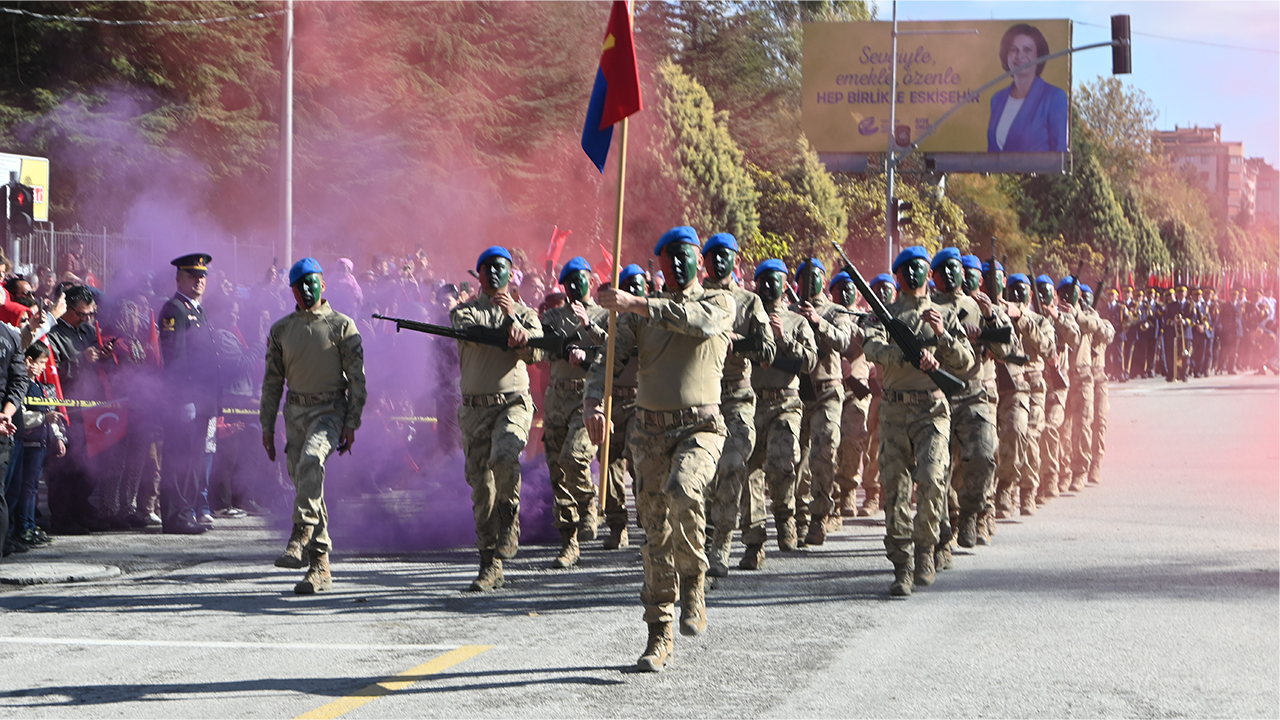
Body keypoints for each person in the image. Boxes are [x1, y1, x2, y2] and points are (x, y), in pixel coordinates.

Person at [585, 226, 733, 672]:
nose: (681, 262)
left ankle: (695, 582)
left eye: (688, 254)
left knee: (685, 490)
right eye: (671, 256)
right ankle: (659, 631)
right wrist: (596, 401)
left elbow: (695, 323)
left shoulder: (720, 301)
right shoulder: (636, 315)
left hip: (700, 428)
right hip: (648, 435)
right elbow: (608, 358)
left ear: (698, 262)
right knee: (655, 537)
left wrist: (638, 303)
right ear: (661, 264)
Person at [862, 246, 974, 596]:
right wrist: (908, 354)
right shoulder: (884, 314)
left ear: (929, 273)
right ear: (897, 275)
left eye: (919, 268)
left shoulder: (943, 314)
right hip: (895, 411)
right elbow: (871, 348)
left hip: (933, 411)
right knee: (894, 489)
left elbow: (967, 363)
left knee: (931, 479)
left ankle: (926, 550)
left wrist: (941, 337)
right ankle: (902, 564)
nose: (912, 275)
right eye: (905, 269)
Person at [261, 257, 367, 594]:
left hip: (330, 411)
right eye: (300, 283)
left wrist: (352, 422)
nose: (307, 288)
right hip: (295, 415)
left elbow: (358, 381)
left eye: (313, 281)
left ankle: (299, 534)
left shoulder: (342, 326)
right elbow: (272, 383)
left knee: (311, 461)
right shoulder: (281, 330)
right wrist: (266, 426)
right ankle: (319, 567)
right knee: (308, 484)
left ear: (324, 283)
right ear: (291, 289)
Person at [451, 246, 544, 592]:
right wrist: (507, 329)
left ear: (511, 273)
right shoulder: (463, 313)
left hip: (513, 404)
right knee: (481, 488)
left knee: (505, 456)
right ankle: (490, 564)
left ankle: (510, 517)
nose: (493, 273)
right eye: (487, 268)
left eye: (500, 267)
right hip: (475, 409)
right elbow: (473, 336)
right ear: (478, 276)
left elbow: (535, 351)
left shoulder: (527, 314)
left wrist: (514, 322)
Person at [701, 233, 774, 578]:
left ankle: (721, 544)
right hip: (700, 400)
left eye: (724, 256)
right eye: (712, 256)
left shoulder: (749, 302)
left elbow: (768, 350)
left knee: (732, 465)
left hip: (738, 399)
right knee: (700, 476)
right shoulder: (695, 300)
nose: (718, 262)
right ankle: (696, 542)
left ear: (736, 261)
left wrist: (739, 343)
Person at [931, 249, 1014, 548]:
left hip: (976, 393)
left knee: (981, 456)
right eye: (946, 269)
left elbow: (1009, 349)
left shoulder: (979, 306)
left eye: (958, 269)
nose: (954, 275)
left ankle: (972, 511)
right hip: (938, 393)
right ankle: (950, 518)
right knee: (941, 466)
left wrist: (989, 323)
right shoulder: (927, 307)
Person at [561, 264, 647, 550]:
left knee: (641, 461)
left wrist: (590, 328)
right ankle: (617, 524)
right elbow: (609, 349)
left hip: (639, 400)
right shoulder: (614, 320)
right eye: (628, 286)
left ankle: (649, 523)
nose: (634, 291)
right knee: (609, 464)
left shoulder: (652, 320)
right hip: (613, 400)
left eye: (639, 285)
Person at [737, 259, 815, 571]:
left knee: (783, 463)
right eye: (764, 280)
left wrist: (783, 338)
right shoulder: (745, 317)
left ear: (786, 284)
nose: (770, 286)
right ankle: (754, 542)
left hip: (786, 402)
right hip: (750, 402)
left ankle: (785, 518)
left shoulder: (797, 320)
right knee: (748, 471)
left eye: (776, 280)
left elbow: (809, 361)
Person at [539, 256, 609, 568]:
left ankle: (589, 504)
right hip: (557, 400)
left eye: (581, 278)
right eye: (569, 281)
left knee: (574, 456)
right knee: (557, 470)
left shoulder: (606, 316)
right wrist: (562, 348)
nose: (576, 285)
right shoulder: (553, 316)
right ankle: (569, 542)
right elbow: (539, 346)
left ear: (591, 280)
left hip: (587, 399)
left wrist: (588, 327)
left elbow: (614, 356)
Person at [157, 254, 221, 535]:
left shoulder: (199, 310)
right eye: (193, 276)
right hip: (186, 398)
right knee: (179, 458)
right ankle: (175, 516)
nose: (199, 280)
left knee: (194, 459)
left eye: (202, 276)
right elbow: (176, 357)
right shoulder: (174, 310)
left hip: (203, 397)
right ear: (179, 279)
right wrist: (183, 398)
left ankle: (187, 511)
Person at [791, 258, 853, 547]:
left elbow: (844, 342)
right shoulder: (790, 311)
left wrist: (818, 322)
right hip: (796, 394)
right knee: (796, 458)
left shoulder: (836, 311)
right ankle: (799, 517)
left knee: (824, 453)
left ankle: (819, 516)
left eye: (816, 275)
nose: (811, 281)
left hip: (827, 391)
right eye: (806, 276)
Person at [986, 23, 1069, 153]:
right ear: (1006, 55)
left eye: (1027, 50)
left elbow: (1059, 152)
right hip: (999, 173)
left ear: (1039, 56)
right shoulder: (997, 99)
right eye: (1013, 49)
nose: (1020, 56)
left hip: (1039, 173)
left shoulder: (1054, 97)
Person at [10, 343, 62, 548]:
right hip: (29, 443)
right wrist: (43, 418)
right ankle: (22, 528)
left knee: (32, 489)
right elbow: (22, 416)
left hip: (41, 442)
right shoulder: (22, 385)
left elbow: (51, 412)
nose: (42, 367)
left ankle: (30, 525)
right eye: (40, 362)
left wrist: (57, 436)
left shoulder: (40, 386)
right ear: (28, 361)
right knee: (26, 488)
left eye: (44, 363)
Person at [1083, 286, 1115, 487]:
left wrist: (1095, 320)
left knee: (1100, 422)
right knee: (1082, 424)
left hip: (1099, 377)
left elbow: (1107, 335)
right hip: (1082, 378)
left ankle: (1096, 463)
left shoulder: (1103, 324)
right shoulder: (1078, 323)